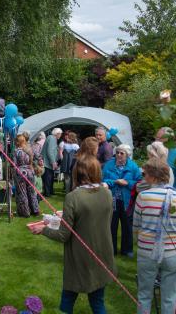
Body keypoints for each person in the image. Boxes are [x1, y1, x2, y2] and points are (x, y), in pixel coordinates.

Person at [31, 155, 116, 314]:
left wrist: (44, 229)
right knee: (98, 302)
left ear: (78, 173)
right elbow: (93, 219)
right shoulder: (107, 193)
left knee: (67, 302)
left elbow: (64, 235)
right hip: (103, 254)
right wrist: (65, 217)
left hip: (80, 258)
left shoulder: (73, 197)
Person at [133, 159, 176, 314]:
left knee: (144, 295)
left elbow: (136, 226)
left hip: (146, 252)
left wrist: (141, 242)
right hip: (172, 252)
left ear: (153, 177)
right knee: (169, 297)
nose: (143, 176)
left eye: (145, 173)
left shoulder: (143, 196)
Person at [102, 144, 142, 257]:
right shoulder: (109, 164)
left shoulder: (133, 167)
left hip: (127, 201)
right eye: (117, 152)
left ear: (127, 155)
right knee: (111, 225)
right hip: (112, 199)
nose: (118, 155)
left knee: (127, 226)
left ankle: (127, 250)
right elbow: (103, 179)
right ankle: (111, 249)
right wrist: (114, 182)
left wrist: (128, 183)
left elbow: (139, 183)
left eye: (122, 153)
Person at [156, 127, 176, 193]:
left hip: (172, 196)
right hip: (157, 195)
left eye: (160, 138)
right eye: (156, 137)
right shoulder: (157, 151)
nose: (156, 141)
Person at [13, 135, 39, 217]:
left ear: (17, 142)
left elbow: (14, 164)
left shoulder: (16, 151)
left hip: (20, 172)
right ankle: (35, 210)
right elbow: (37, 158)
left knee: (22, 192)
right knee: (32, 192)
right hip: (30, 171)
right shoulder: (29, 149)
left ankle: (25, 212)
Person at [41, 128, 62, 197]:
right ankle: (47, 193)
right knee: (48, 178)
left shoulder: (51, 138)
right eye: (60, 134)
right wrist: (53, 162)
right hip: (47, 163)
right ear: (57, 134)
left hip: (47, 162)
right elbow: (50, 151)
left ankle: (50, 192)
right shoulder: (52, 138)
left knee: (50, 178)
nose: (60, 135)